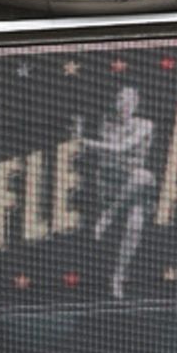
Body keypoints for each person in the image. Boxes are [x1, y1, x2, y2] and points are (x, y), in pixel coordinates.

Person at [74, 87, 156, 298]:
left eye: (129, 100)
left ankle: (117, 275)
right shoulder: (106, 124)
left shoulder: (145, 124)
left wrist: (84, 141)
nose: (125, 104)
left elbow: (120, 149)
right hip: (110, 183)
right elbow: (106, 160)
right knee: (135, 210)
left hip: (134, 185)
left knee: (142, 181)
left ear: (136, 103)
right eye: (121, 99)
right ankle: (112, 275)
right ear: (115, 103)